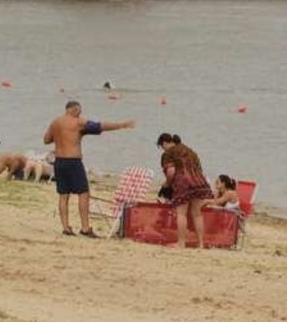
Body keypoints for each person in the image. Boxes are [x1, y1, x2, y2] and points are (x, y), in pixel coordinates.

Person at [43, 100, 135, 237]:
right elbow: (100, 126)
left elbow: (46, 139)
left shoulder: (55, 122)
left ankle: (66, 227)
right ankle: (85, 228)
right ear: (73, 109)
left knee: (63, 195)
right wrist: (122, 125)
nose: (80, 114)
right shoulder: (78, 122)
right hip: (73, 162)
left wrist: (63, 138)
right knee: (84, 193)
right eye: (79, 111)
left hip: (59, 162)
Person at [156, 133, 214, 248]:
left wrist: (167, 183)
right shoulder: (191, 152)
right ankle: (200, 244)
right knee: (197, 214)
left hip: (183, 184)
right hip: (199, 182)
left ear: (165, 143)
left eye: (162, 146)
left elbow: (171, 172)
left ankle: (181, 243)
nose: (163, 149)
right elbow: (199, 169)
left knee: (181, 213)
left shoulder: (168, 153)